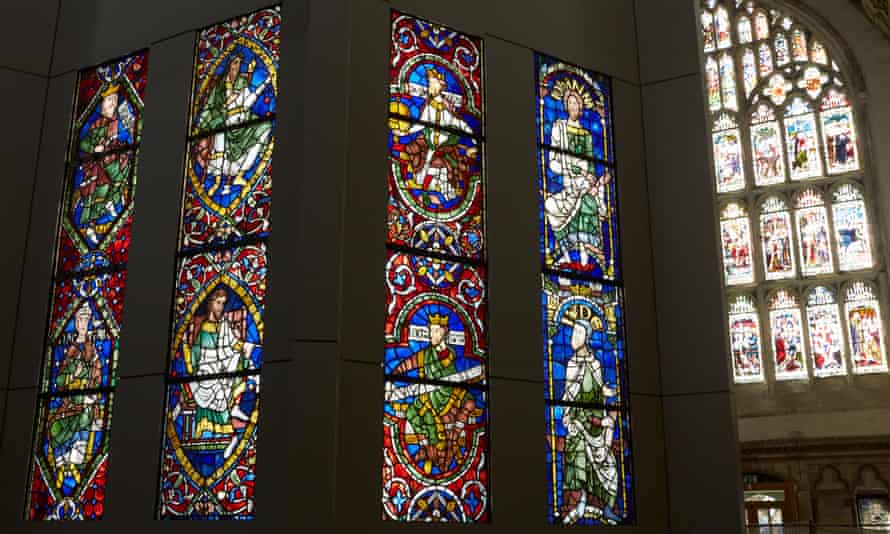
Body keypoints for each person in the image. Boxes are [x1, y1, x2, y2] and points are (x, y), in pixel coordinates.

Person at [392, 313, 478, 474]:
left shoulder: (451, 354)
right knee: (413, 412)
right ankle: (429, 446)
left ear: (445, 332)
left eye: (435, 331)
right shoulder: (425, 354)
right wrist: (392, 378)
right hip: (429, 398)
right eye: (431, 331)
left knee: (470, 402)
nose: (432, 335)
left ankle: (453, 437)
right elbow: (406, 365)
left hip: (450, 393)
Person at [544, 77, 610, 268]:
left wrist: (590, 179)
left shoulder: (587, 135)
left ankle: (586, 259)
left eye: (576, 103)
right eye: (570, 102)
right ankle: (564, 256)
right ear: (565, 106)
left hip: (585, 184)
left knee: (588, 204)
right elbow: (552, 163)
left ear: (580, 107)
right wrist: (570, 170)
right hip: (568, 184)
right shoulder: (559, 127)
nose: (573, 105)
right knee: (550, 205)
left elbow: (590, 166)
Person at [560, 319, 620, 524]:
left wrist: (608, 392)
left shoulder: (595, 363)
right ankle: (578, 503)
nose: (573, 338)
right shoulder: (571, 364)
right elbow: (568, 395)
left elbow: (600, 388)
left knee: (609, 465)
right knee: (577, 460)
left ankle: (607, 507)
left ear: (587, 338)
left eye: (578, 334)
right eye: (572, 333)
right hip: (580, 422)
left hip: (597, 422)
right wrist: (568, 417)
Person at [194, 51, 273, 198]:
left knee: (264, 127)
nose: (237, 66)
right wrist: (219, 113)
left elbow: (246, 100)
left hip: (240, 119)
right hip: (219, 120)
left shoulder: (242, 82)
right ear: (229, 65)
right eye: (235, 63)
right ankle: (217, 182)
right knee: (220, 131)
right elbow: (210, 105)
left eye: (239, 63)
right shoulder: (219, 85)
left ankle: (240, 173)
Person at [182, 288, 254, 440]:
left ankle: (227, 425)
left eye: (223, 303)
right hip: (205, 373)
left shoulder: (224, 325)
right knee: (209, 380)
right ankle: (206, 430)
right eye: (218, 303)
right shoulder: (201, 327)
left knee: (237, 366)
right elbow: (195, 353)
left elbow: (232, 345)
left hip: (222, 369)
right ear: (210, 304)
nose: (221, 307)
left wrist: (245, 348)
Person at [400, 68, 476, 205]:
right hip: (429, 144)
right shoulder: (429, 106)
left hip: (444, 147)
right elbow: (421, 124)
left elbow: (458, 123)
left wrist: (471, 134)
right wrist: (405, 132)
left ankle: (444, 195)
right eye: (429, 83)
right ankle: (424, 190)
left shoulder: (447, 107)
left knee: (440, 167)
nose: (430, 87)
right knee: (413, 151)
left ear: (439, 86)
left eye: (431, 83)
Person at [77, 83, 133, 244]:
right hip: (96, 164)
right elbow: (83, 144)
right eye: (107, 101)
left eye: (111, 101)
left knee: (123, 167)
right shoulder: (97, 125)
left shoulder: (120, 121)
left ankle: (112, 200)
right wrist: (95, 147)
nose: (108, 105)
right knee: (99, 185)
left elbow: (128, 138)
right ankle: (89, 225)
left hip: (112, 159)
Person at [55, 303, 104, 391]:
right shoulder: (71, 349)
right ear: (76, 322)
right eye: (81, 319)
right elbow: (59, 380)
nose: (83, 324)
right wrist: (74, 375)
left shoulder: (92, 348)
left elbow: (98, 373)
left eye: (86, 320)